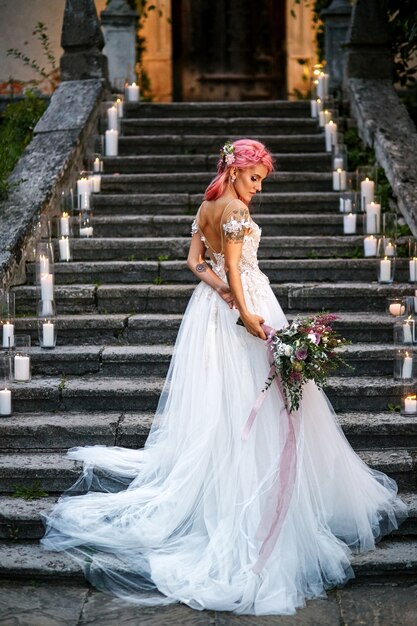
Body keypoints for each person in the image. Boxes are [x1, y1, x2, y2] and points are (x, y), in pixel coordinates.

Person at [42, 139, 407, 616]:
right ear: (234, 171)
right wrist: (247, 312)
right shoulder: (232, 209)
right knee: (261, 396)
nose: (257, 188)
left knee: (225, 398)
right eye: (254, 178)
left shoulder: (208, 202)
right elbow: (235, 266)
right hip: (247, 306)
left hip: (210, 311)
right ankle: (257, 492)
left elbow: (195, 262)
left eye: (261, 181)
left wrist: (220, 294)